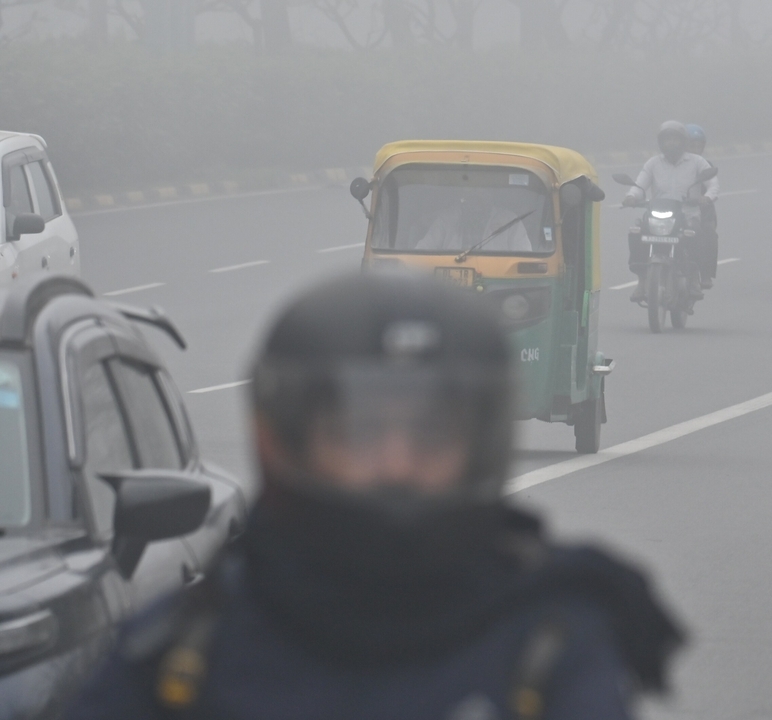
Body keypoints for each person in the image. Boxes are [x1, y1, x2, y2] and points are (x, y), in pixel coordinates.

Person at [65, 273, 684, 720]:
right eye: (359, 433)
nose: (396, 464)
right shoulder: (186, 652)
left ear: (481, 445)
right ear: (285, 440)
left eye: (430, 435)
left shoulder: (551, 644)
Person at [624, 122, 716, 305]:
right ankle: (642, 280)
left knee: (697, 235)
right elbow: (640, 185)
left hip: (688, 214)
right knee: (636, 232)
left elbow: (713, 184)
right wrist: (631, 197)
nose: (671, 143)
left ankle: (693, 279)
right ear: (660, 142)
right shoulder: (653, 163)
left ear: (683, 141)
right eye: (667, 139)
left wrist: (707, 197)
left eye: (674, 139)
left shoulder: (697, 162)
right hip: (657, 213)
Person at [414, 187, 535, 253]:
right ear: (463, 194)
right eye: (471, 190)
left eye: (482, 190)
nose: (477, 195)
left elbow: (524, 255)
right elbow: (422, 251)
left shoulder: (509, 220)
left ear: (491, 194)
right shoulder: (447, 218)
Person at [683, 124, 720, 287]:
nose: (696, 149)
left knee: (708, 234)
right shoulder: (671, 163)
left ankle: (705, 274)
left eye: (699, 145)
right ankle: (644, 277)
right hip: (677, 210)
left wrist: (706, 198)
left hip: (702, 212)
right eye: (692, 145)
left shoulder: (705, 164)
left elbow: (713, 186)